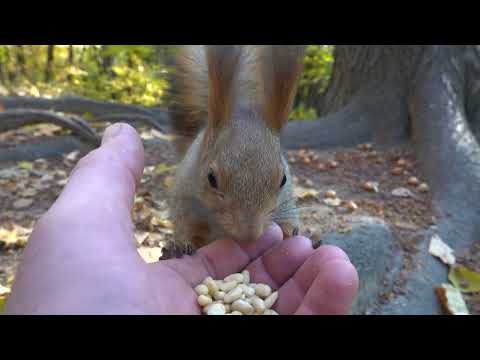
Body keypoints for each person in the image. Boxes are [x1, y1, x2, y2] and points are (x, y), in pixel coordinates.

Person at [5, 124, 358, 315]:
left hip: (253, 267)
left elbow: (286, 205)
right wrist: (187, 243)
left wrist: (287, 227)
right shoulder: (200, 161)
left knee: (291, 246)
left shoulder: (274, 158)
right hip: (207, 256)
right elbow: (183, 209)